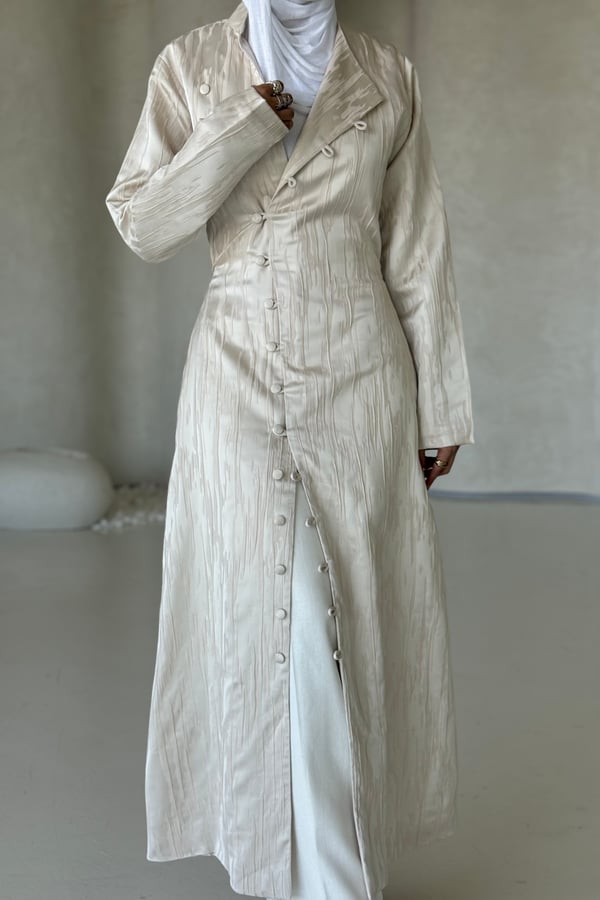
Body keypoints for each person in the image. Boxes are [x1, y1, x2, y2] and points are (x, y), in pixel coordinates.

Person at [105, 1, 475, 898]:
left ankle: (329, 869)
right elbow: (144, 223)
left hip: (361, 369)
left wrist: (441, 405)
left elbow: (416, 247)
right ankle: (300, 869)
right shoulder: (191, 65)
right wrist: (245, 124)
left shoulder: (386, 75)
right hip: (235, 367)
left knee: (353, 616)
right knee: (281, 612)